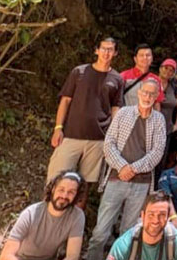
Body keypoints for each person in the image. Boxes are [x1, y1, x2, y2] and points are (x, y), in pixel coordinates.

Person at [83, 80, 167, 260]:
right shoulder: (123, 114)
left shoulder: (159, 120)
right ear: (138, 93)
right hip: (116, 178)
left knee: (128, 233)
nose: (147, 97)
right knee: (100, 232)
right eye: (144, 93)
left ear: (156, 97)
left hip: (141, 184)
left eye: (152, 94)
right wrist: (122, 167)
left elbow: (157, 152)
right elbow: (109, 143)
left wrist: (133, 169)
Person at [47, 37, 124, 208]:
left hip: (98, 139)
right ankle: (49, 218)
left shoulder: (117, 79)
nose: (106, 52)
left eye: (110, 49)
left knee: (84, 184)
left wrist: (112, 136)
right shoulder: (79, 72)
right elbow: (65, 101)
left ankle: (75, 224)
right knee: (57, 178)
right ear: (96, 50)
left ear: (115, 53)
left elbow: (115, 108)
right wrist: (58, 128)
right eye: (103, 48)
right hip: (71, 135)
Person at [157, 58, 177, 150]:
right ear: (160, 68)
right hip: (149, 127)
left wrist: (176, 124)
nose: (168, 72)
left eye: (171, 70)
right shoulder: (151, 82)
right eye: (166, 68)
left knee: (162, 158)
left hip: (167, 129)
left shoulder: (174, 87)